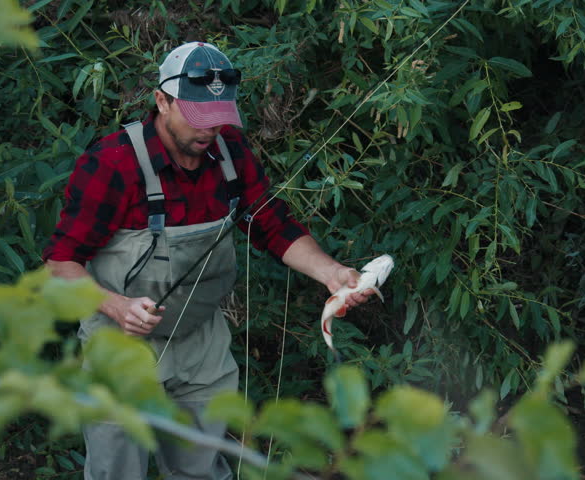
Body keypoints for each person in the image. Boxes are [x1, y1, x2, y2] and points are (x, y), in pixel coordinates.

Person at [43, 41, 373, 480]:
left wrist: (331, 273)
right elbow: (60, 264)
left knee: (203, 470)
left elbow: (271, 225)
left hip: (201, 342)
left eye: (219, 119)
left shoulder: (229, 152)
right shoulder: (113, 163)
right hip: (118, 341)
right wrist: (115, 306)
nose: (210, 131)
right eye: (198, 118)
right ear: (162, 100)